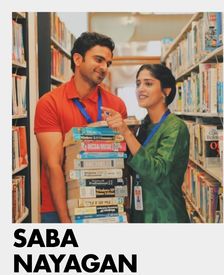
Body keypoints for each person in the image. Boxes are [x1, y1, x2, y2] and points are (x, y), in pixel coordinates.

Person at [34, 32, 127, 223]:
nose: (104, 68)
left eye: (108, 63)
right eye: (99, 60)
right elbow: (53, 165)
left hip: (107, 206)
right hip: (59, 208)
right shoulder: (49, 103)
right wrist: (65, 220)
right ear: (77, 59)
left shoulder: (116, 105)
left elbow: (121, 161)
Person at [102, 64, 190, 223]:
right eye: (138, 84)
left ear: (166, 91)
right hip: (141, 211)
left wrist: (126, 133)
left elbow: (157, 171)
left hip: (165, 215)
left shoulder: (176, 127)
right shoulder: (144, 125)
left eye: (148, 83)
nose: (140, 89)